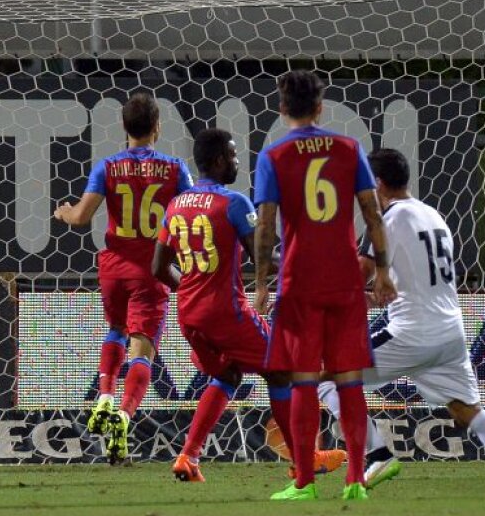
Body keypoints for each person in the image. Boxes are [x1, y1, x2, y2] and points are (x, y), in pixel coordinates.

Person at [319, 148, 485, 497]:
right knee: (467, 411)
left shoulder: (383, 220)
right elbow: (417, 281)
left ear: (378, 184)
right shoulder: (433, 215)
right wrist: (372, 297)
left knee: (325, 377)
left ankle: (379, 454)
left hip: (412, 334)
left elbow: (359, 273)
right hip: (449, 334)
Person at [151, 128, 346, 483]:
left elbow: (158, 268)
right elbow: (262, 257)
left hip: (189, 315)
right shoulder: (234, 203)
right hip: (227, 312)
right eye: (235, 154)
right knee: (282, 369)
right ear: (219, 160)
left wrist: (192, 290)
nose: (239, 162)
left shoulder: (175, 204)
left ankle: (188, 456)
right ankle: (306, 459)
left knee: (227, 375)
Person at [253, 69, 396, 502]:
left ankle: (304, 484)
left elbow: (265, 226)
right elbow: (372, 215)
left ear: (282, 109)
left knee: (304, 382)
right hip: (344, 282)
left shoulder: (274, 156)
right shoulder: (349, 149)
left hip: (300, 283)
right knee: (349, 381)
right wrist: (384, 271)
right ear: (320, 107)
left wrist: (260, 282)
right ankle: (356, 480)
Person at [54, 92, 193, 463]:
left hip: (114, 267)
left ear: (124, 127)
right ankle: (125, 416)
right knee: (143, 348)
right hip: (153, 269)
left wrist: (65, 212)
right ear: (158, 127)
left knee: (115, 329)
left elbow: (82, 217)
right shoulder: (176, 169)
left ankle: (103, 398)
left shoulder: (108, 166)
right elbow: (194, 214)